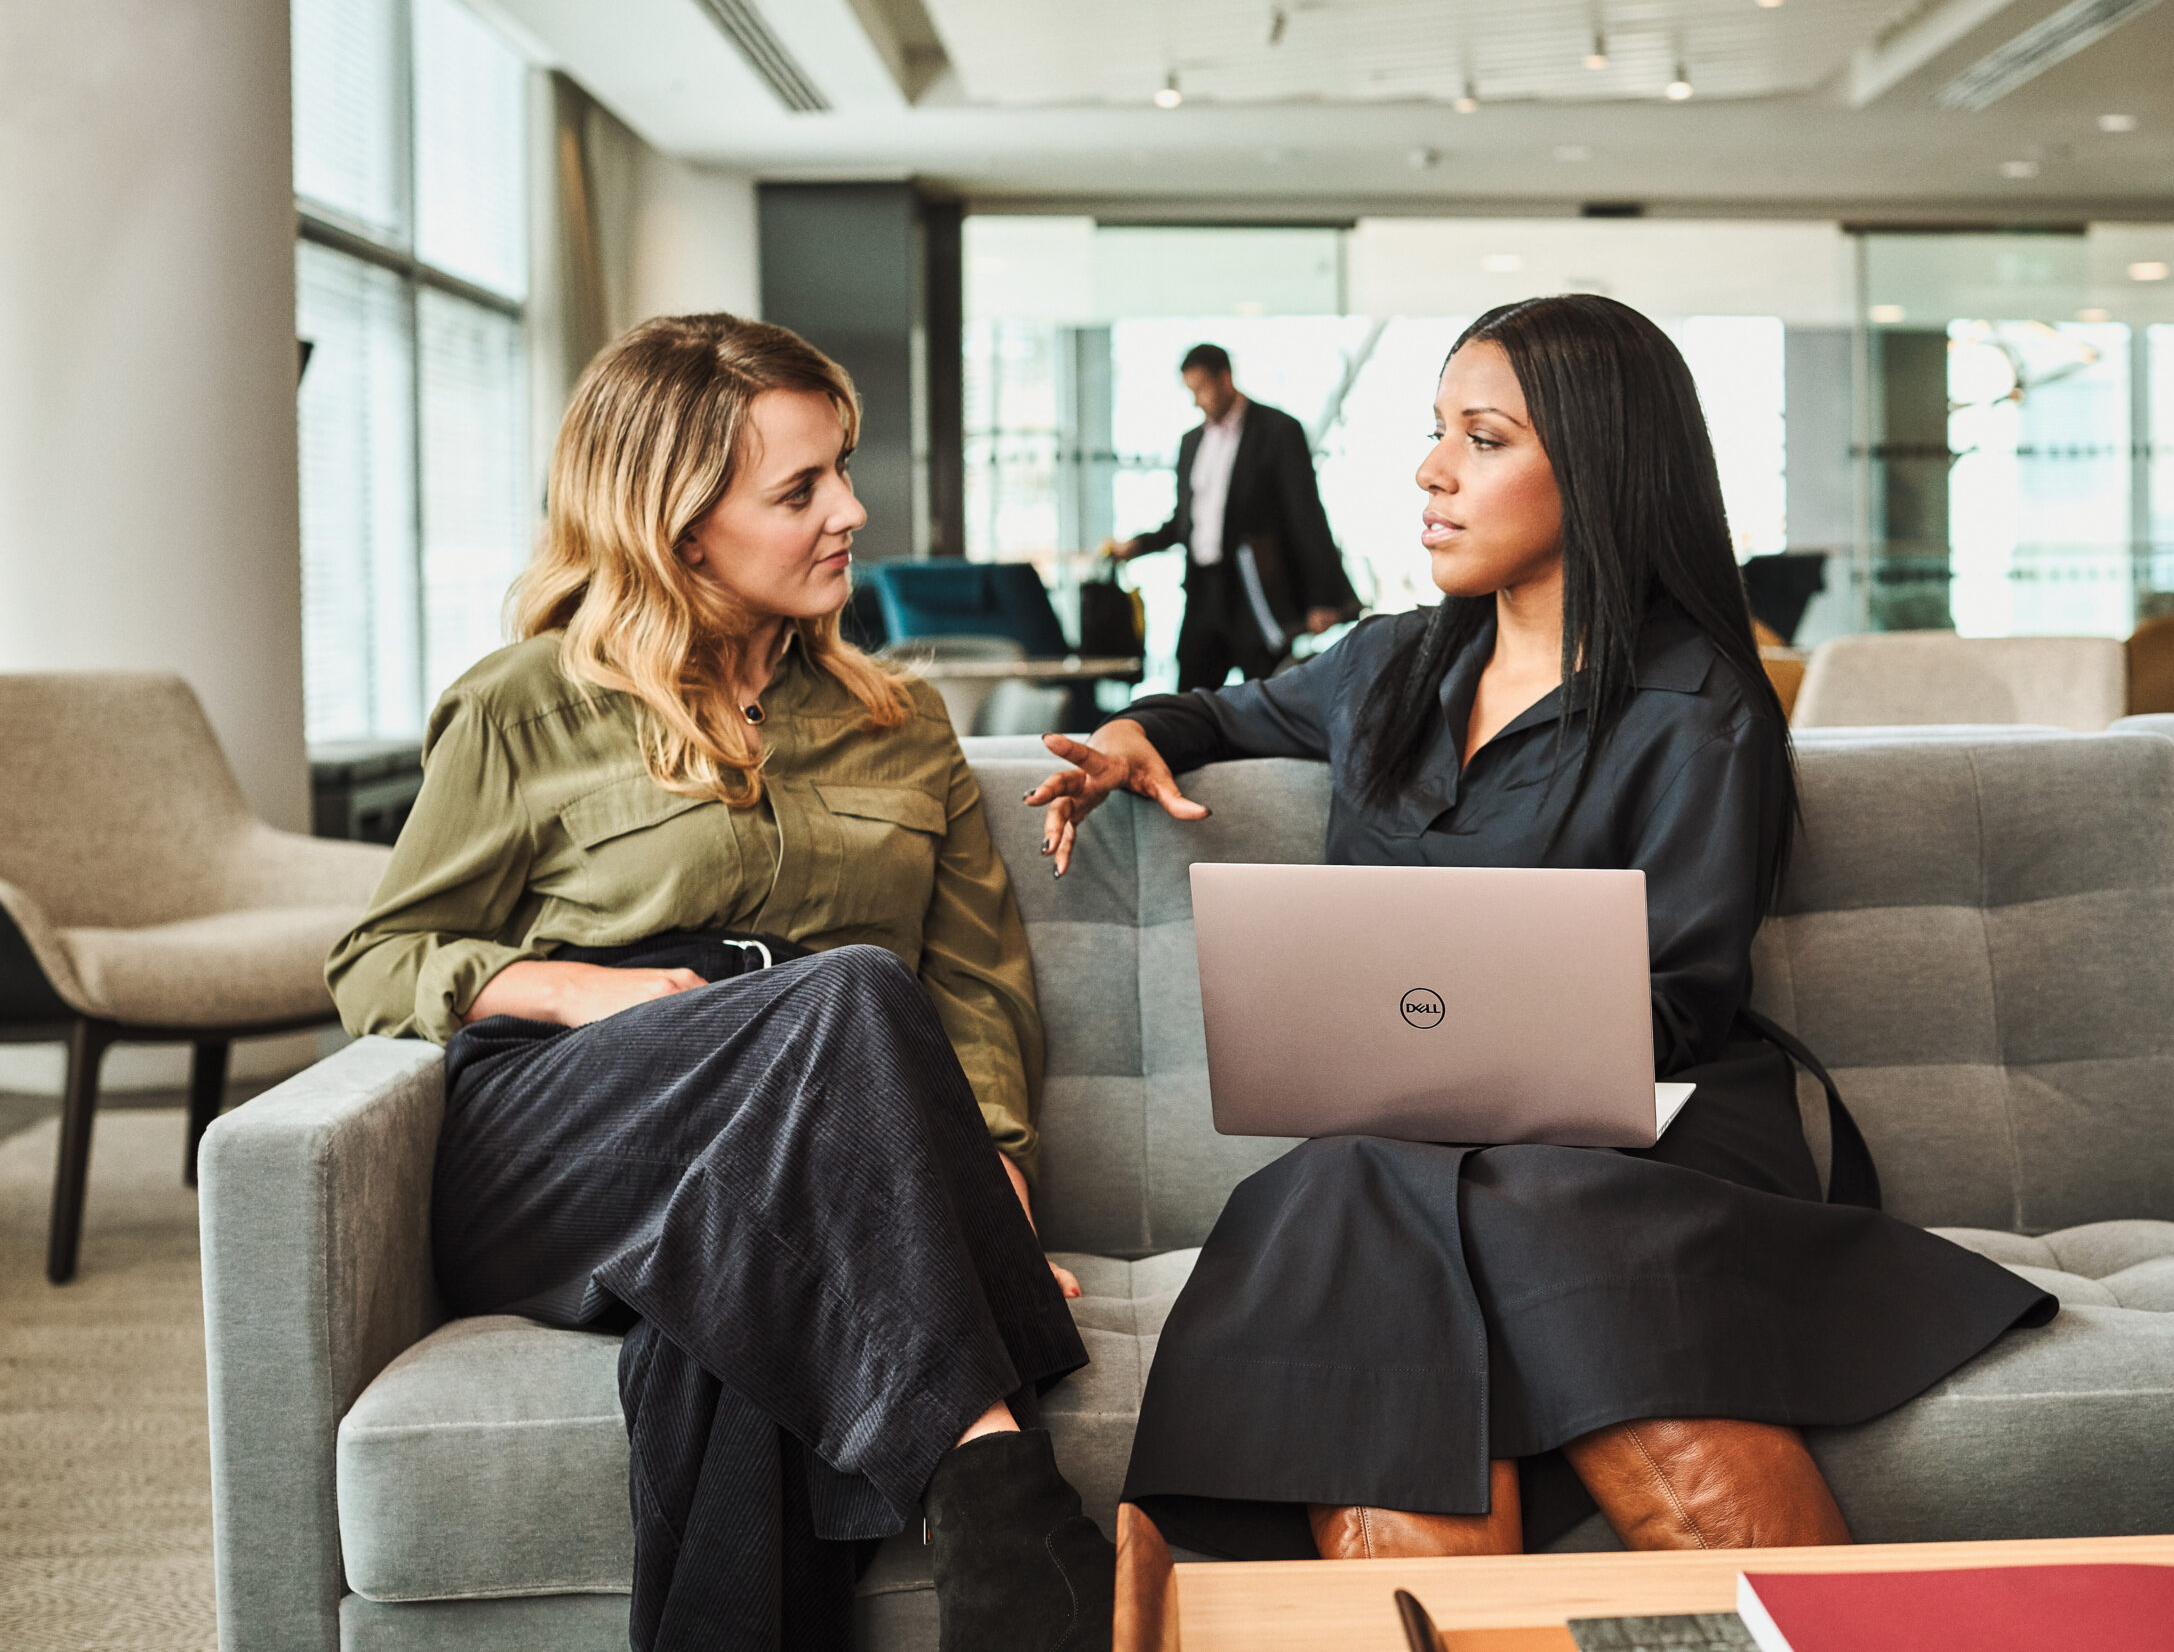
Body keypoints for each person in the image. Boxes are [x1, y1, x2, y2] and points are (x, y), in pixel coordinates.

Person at [1028, 296, 2056, 1580]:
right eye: (1434, 433)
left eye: (1484, 438)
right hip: (1414, 1145)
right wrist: (1140, 737)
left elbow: (1675, 1004)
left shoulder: (1698, 708)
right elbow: (1220, 712)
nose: (1431, 470)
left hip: (1648, 1136)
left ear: (1600, 466)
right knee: (1354, 1191)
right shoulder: (1387, 665)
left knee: (1380, 1207)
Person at [327, 314, 1113, 1652]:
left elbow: (977, 994)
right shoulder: (525, 703)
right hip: (566, 1129)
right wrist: (582, 991)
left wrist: (991, 1190)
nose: (851, 511)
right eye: (800, 488)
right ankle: (1000, 1489)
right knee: (851, 993)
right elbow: (377, 959)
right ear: (679, 524)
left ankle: (1002, 1550)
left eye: (841, 470)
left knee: (735, 1325)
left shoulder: (900, 722)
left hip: (794, 1140)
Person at [1104, 343, 1362, 692]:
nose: (1196, 401)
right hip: (1202, 589)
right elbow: (1186, 520)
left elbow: (1306, 515)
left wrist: (1323, 597)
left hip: (1254, 588)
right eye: (1190, 392)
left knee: (1268, 692)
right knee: (1191, 694)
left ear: (1225, 378)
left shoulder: (1278, 431)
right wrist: (1137, 546)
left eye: (1201, 389)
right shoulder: (1192, 442)